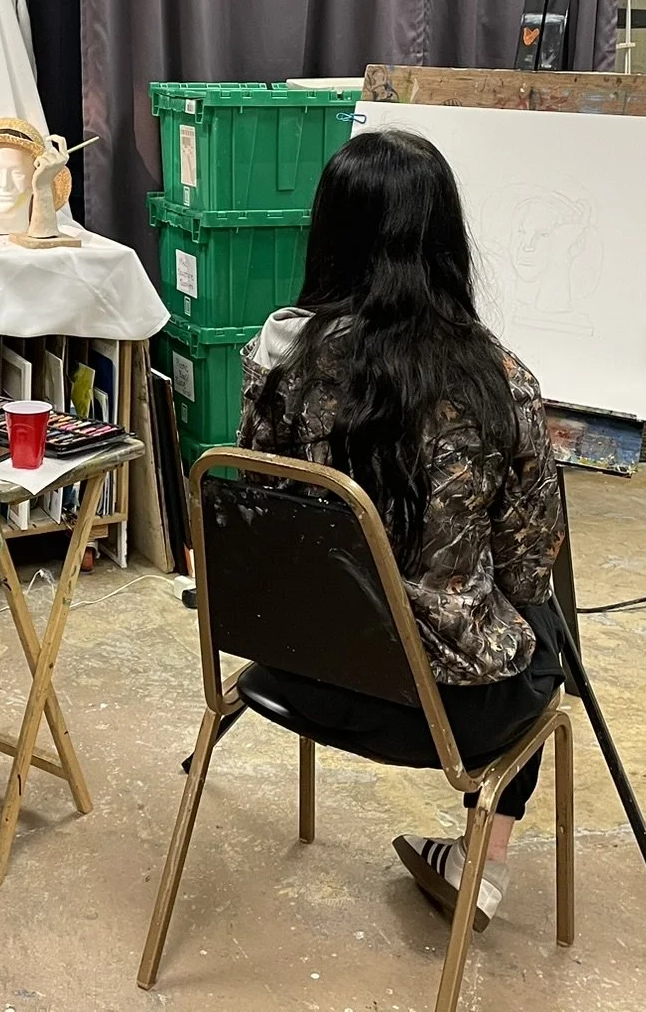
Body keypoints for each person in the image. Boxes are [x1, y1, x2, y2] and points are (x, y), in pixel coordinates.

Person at [237, 128, 567, 929]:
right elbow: (527, 573)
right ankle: (478, 865)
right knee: (552, 633)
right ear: (446, 242)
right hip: (442, 711)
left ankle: (470, 863)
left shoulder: (275, 362)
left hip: (293, 669)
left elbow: (255, 511)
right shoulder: (501, 384)